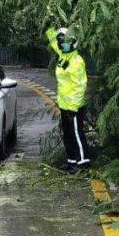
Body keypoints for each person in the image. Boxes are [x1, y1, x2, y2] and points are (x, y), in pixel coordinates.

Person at [46, 26, 89, 171]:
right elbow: (53, 40)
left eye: (66, 42)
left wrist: (73, 108)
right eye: (61, 42)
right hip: (64, 105)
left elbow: (80, 86)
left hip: (74, 107)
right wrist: (51, 25)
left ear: (73, 42)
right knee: (68, 134)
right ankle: (72, 162)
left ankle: (83, 163)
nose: (63, 45)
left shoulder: (76, 61)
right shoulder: (63, 55)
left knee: (77, 134)